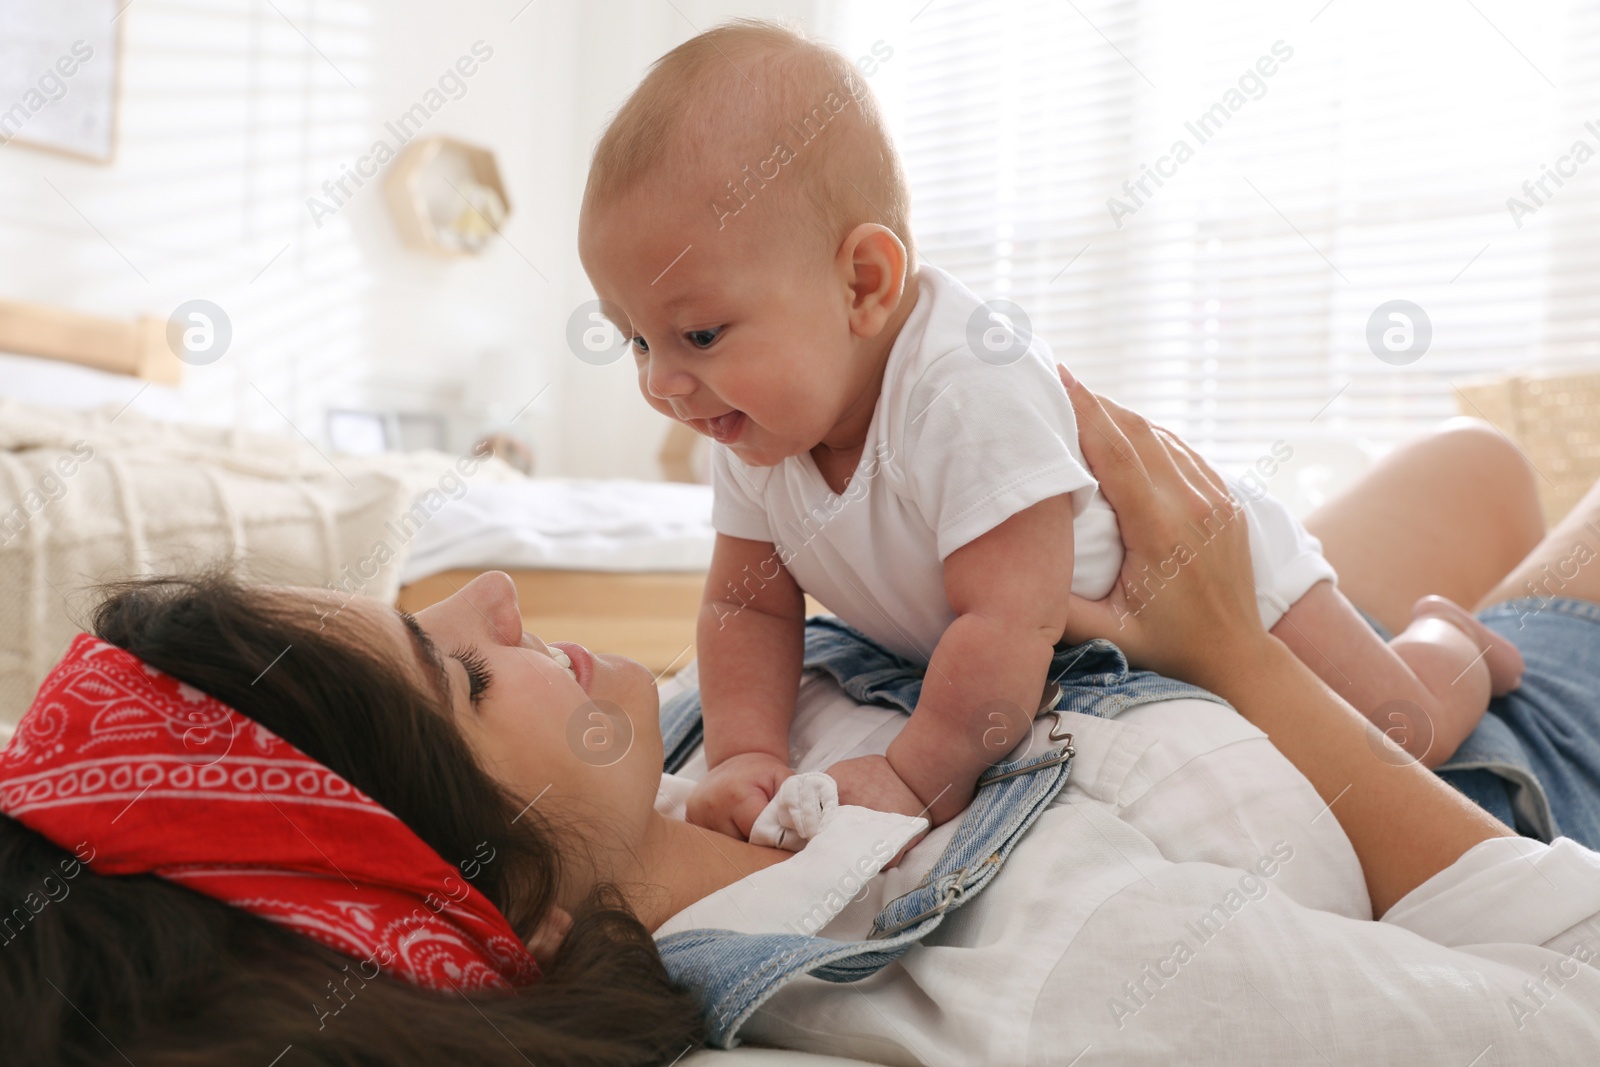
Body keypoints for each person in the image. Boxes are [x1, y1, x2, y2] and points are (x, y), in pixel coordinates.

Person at [4, 369, 1600, 1062]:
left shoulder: (686, 774)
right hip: (1450, 789)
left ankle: (1438, 633)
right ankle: (1458, 643)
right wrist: (1253, 655)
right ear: (507, 903)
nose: (492, 596)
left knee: (1470, 465)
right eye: (460, 672)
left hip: (1194, 674)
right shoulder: (1047, 984)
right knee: (1515, 488)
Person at [575, 20, 1524, 847]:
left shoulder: (963, 388)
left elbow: (1008, 619)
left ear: (863, 284)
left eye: (698, 334)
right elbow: (747, 607)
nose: (661, 382)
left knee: (1407, 727)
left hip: (1229, 578)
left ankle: (1451, 638)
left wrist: (916, 773)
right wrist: (745, 751)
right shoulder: (756, 427)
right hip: (1111, 626)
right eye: (636, 340)